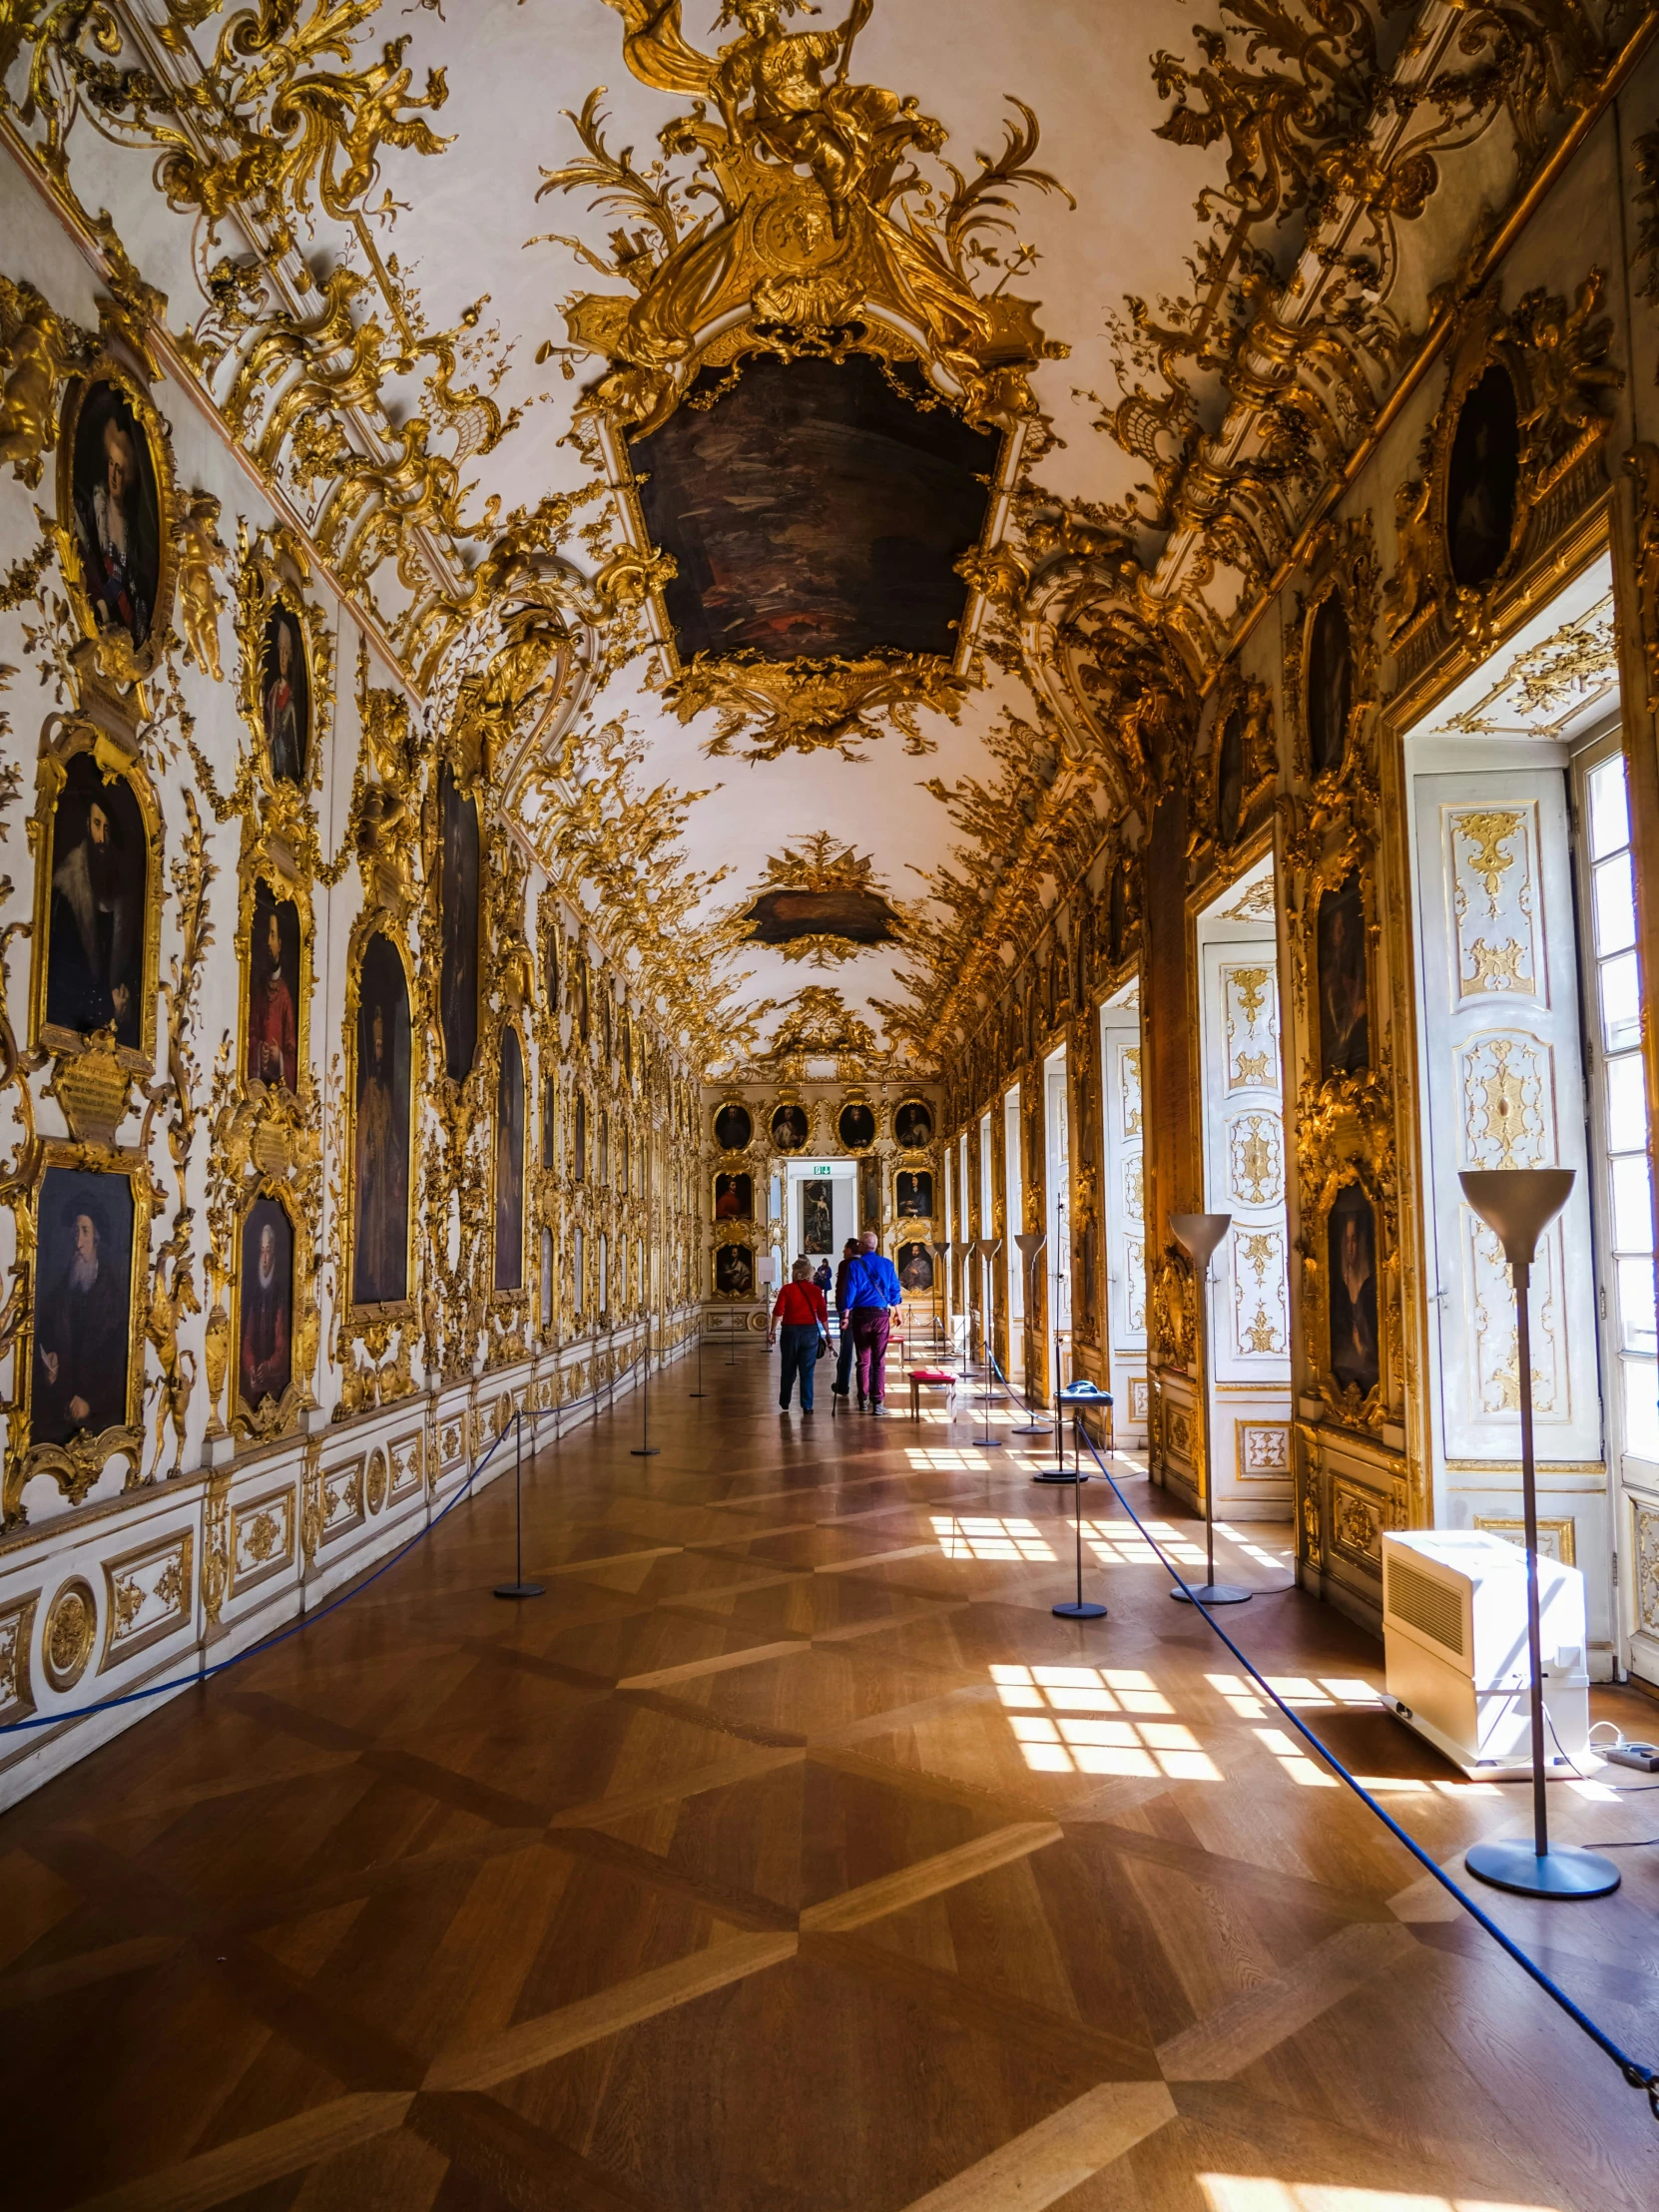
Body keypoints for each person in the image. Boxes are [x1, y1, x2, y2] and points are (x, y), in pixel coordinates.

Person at [34, 1196, 127, 1440]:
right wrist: (50, 1365)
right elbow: (44, 1338)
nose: (78, 1242)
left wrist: (90, 1401)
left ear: (96, 1238)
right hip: (60, 1408)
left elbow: (121, 1361)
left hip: (97, 1415)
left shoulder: (114, 1296)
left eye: (84, 1231)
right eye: (75, 1232)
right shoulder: (59, 1291)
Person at [842, 1228, 902, 1413]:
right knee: (879, 1361)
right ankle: (878, 1403)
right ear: (875, 1246)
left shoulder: (854, 1265)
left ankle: (862, 1400)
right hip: (881, 1316)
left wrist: (845, 1316)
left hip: (861, 1317)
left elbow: (849, 1292)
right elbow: (894, 1291)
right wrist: (898, 1312)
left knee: (863, 1361)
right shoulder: (887, 1264)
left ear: (861, 1245)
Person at [241, 1216, 290, 1407]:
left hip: (276, 1382)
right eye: (262, 1252)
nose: (264, 1259)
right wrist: (252, 1366)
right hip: (255, 1381)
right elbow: (247, 1338)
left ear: (274, 1254)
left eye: (268, 1252)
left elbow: (282, 1343)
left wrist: (268, 1367)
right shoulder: (255, 1293)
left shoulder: (280, 1294)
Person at [768, 1257, 828, 1415]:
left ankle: (785, 1401)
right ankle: (807, 1405)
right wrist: (828, 1334)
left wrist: (772, 1332)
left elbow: (777, 1312)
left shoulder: (787, 1289)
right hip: (809, 1333)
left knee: (788, 1367)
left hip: (789, 1332)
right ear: (810, 1273)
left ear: (795, 1272)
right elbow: (823, 1315)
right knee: (807, 1370)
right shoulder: (815, 1291)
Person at [248, 901, 297, 1090]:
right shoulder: (258, 990)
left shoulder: (285, 997)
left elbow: (294, 1054)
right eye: (267, 935)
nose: (269, 942)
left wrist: (281, 1059)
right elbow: (250, 1033)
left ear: (280, 944)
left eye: (273, 936)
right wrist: (259, 1050)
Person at [264, 613, 304, 785]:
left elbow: (292, 742)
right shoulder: (274, 688)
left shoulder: (291, 701)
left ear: (291, 657)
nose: (282, 658)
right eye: (280, 649)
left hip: (282, 756)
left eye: (286, 652)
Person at [830, 1236, 859, 1401]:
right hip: (864, 1311)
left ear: (849, 1250)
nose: (843, 1251)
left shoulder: (845, 1264)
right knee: (864, 1351)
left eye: (844, 1248)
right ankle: (866, 1386)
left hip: (848, 1311)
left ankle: (842, 1385)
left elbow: (842, 1288)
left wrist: (842, 1310)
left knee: (846, 1349)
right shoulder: (866, 1263)